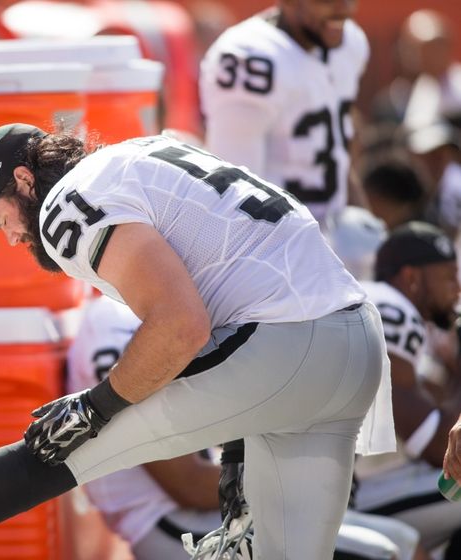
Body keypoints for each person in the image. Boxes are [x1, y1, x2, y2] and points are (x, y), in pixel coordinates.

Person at [0, 124, 395, 559]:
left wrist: (97, 406)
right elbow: (232, 288)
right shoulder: (144, 152)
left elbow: (180, 327)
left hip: (290, 344)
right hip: (355, 345)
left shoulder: (67, 205)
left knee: (68, 444)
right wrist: (237, 444)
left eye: (2, 220)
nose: (11, 239)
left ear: (26, 182)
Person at [71, 294, 423, 560]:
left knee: (405, 541)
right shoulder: (114, 324)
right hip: (167, 521)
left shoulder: (171, 300)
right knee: (387, 553)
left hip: (217, 506)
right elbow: (187, 484)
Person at [198, 0, 369, 229]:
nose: (344, 9)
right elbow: (234, 192)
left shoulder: (350, 44)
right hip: (276, 239)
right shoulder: (249, 56)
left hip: (333, 232)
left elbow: (335, 146)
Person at [355, 222, 461, 557]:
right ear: (412, 278)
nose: (457, 288)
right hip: (348, 494)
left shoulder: (370, 298)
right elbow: (433, 443)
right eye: (448, 276)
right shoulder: (393, 310)